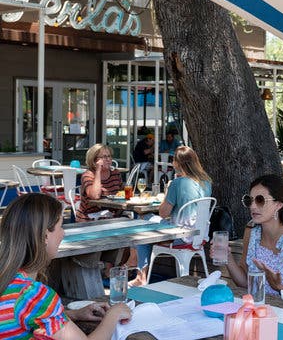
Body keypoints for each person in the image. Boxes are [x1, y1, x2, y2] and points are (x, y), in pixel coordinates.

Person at [0, 193, 131, 339]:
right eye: (60, 226)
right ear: (44, 236)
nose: (63, 233)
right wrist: (113, 315)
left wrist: (72, 314)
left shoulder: (9, 280)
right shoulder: (32, 295)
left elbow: (24, 317)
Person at [213, 174, 283, 295]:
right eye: (249, 200)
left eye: (260, 200)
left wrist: (278, 287)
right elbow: (245, 283)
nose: (253, 206)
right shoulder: (251, 232)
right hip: (256, 306)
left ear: (279, 204)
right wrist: (227, 257)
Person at [130, 146, 212, 286]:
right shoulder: (206, 182)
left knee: (141, 221)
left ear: (177, 163)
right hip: (200, 234)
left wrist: (168, 190)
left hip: (181, 236)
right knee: (149, 223)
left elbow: (163, 213)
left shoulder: (177, 183)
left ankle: (141, 275)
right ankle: (136, 265)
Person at [77, 144, 123, 222]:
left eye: (109, 156)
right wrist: (98, 170)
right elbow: (95, 196)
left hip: (112, 217)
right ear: (94, 160)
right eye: (104, 157)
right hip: (90, 218)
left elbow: (122, 193)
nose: (108, 159)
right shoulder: (88, 175)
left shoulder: (115, 173)